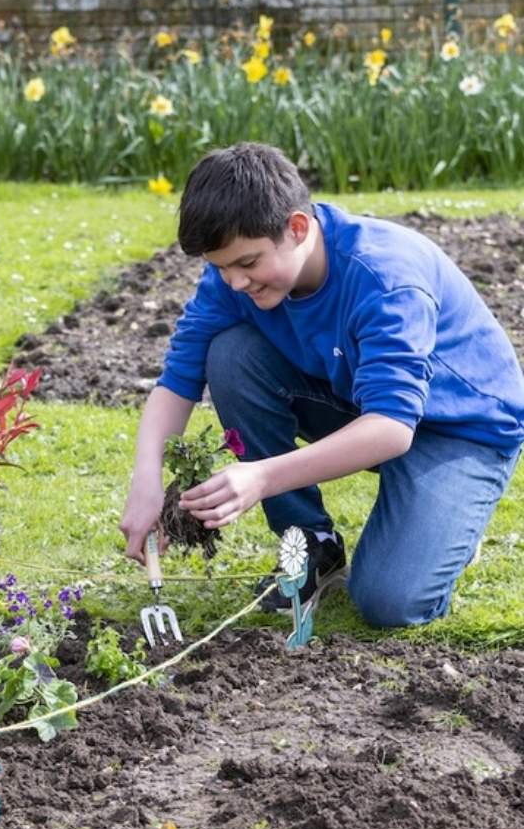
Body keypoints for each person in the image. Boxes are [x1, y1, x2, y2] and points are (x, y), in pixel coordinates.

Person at [119, 142, 524, 627]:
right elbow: (177, 382)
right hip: (360, 403)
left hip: (460, 429)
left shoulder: (384, 276)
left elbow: (393, 429)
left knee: (388, 602)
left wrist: (261, 476)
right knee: (229, 354)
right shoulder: (233, 281)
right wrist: (146, 481)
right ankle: (313, 543)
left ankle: (445, 524)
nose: (234, 282)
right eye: (219, 266)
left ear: (297, 227)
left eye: (247, 264)